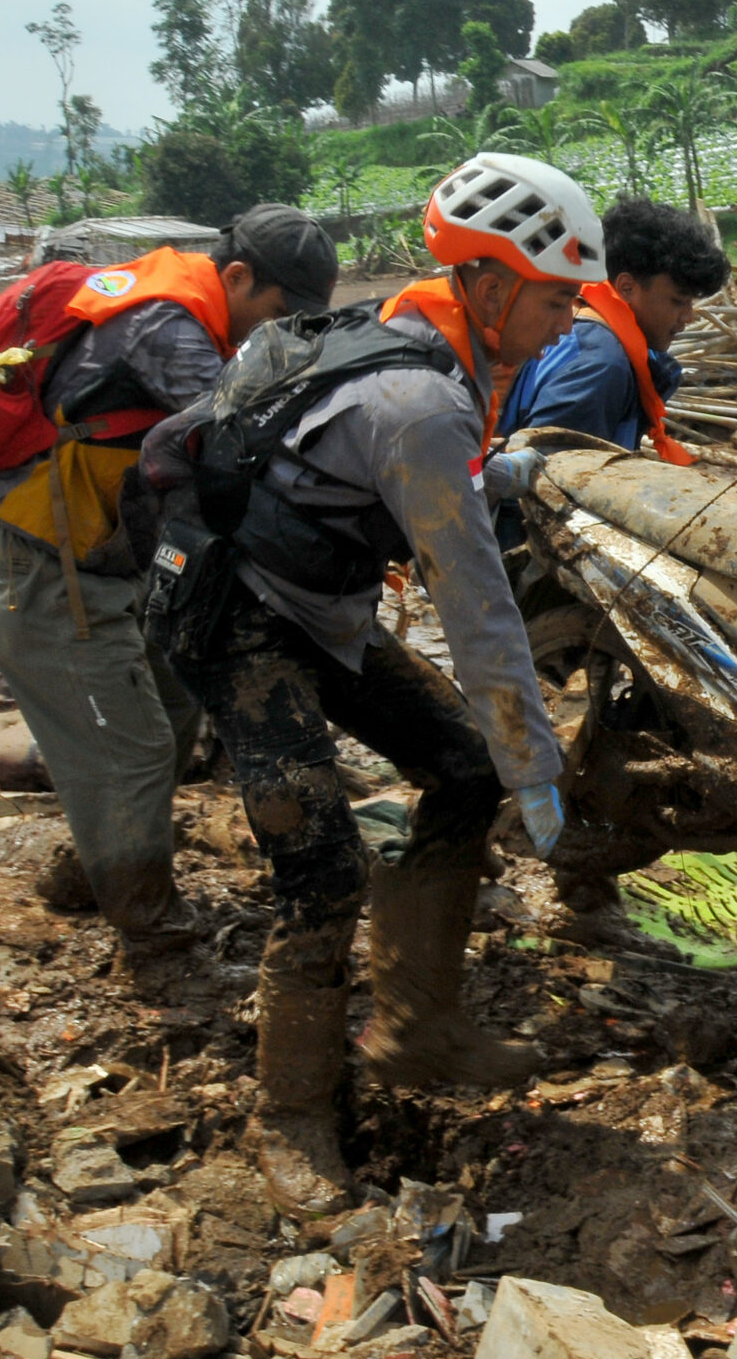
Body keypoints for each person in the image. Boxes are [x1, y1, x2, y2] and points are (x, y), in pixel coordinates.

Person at [141, 152, 589, 1220]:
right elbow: (477, 609)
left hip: (318, 600)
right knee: (322, 858)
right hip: (237, 612)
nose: (569, 320)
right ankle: (289, 1114)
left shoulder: (427, 335)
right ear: (490, 286)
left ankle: (416, 1022)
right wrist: (538, 757)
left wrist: (492, 475)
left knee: (458, 767)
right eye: (558, 296)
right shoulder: (422, 394)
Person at [0, 206, 334, 976]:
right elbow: (244, 440)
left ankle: (87, 871)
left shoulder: (201, 315)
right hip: (42, 566)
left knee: (172, 709)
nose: (282, 335)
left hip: (111, 557)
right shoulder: (167, 324)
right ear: (236, 278)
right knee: (128, 748)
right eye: (277, 315)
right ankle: (156, 940)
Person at [495, 196, 729, 461]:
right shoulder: (600, 365)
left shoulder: (585, 324)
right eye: (678, 301)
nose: (688, 316)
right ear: (627, 287)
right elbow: (553, 476)